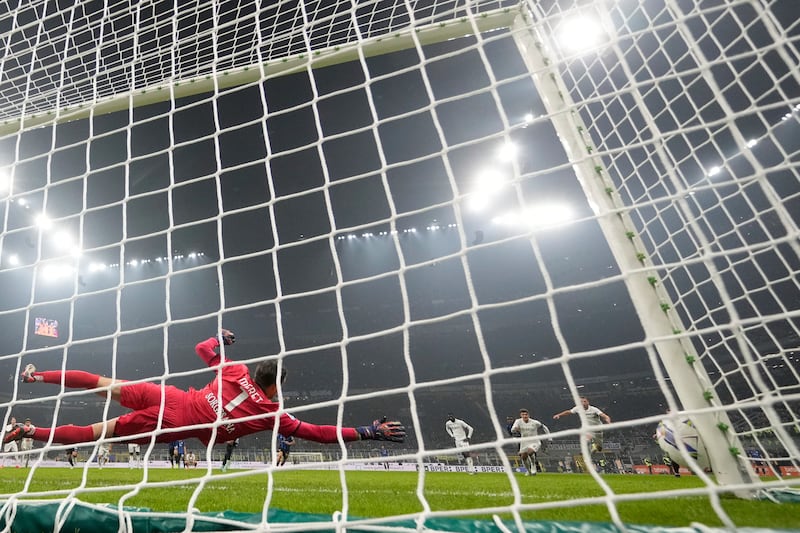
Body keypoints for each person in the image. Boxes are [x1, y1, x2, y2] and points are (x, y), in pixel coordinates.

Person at [3, 329, 405, 451]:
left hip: (171, 396)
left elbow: (202, 348)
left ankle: (36, 377)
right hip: (175, 421)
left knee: (103, 383)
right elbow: (317, 432)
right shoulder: (271, 414)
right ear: (275, 386)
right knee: (97, 433)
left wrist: (221, 339)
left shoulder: (234, 370)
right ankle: (29, 433)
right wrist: (367, 432)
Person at [510, 408, 552, 476]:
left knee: (530, 452)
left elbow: (544, 427)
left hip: (534, 441)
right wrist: (515, 429)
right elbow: (513, 430)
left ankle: (533, 465)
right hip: (524, 442)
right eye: (523, 414)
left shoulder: (535, 422)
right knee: (523, 457)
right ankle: (528, 471)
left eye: (526, 414)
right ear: (521, 415)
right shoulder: (518, 421)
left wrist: (550, 438)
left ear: (528, 415)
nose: (525, 416)